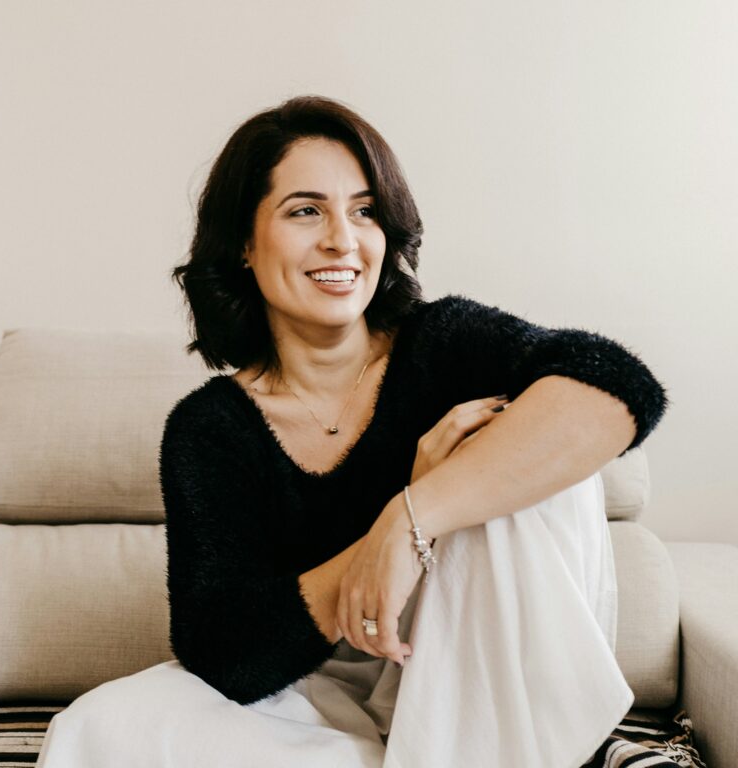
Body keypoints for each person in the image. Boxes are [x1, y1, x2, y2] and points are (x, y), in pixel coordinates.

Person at [36, 95, 667, 767]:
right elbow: (225, 652)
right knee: (101, 727)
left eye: (364, 211)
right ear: (245, 243)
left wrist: (417, 513)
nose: (343, 238)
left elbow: (620, 388)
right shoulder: (209, 428)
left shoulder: (444, 341)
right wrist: (377, 550)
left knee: (519, 441)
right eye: (306, 210)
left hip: (486, 667)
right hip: (334, 695)